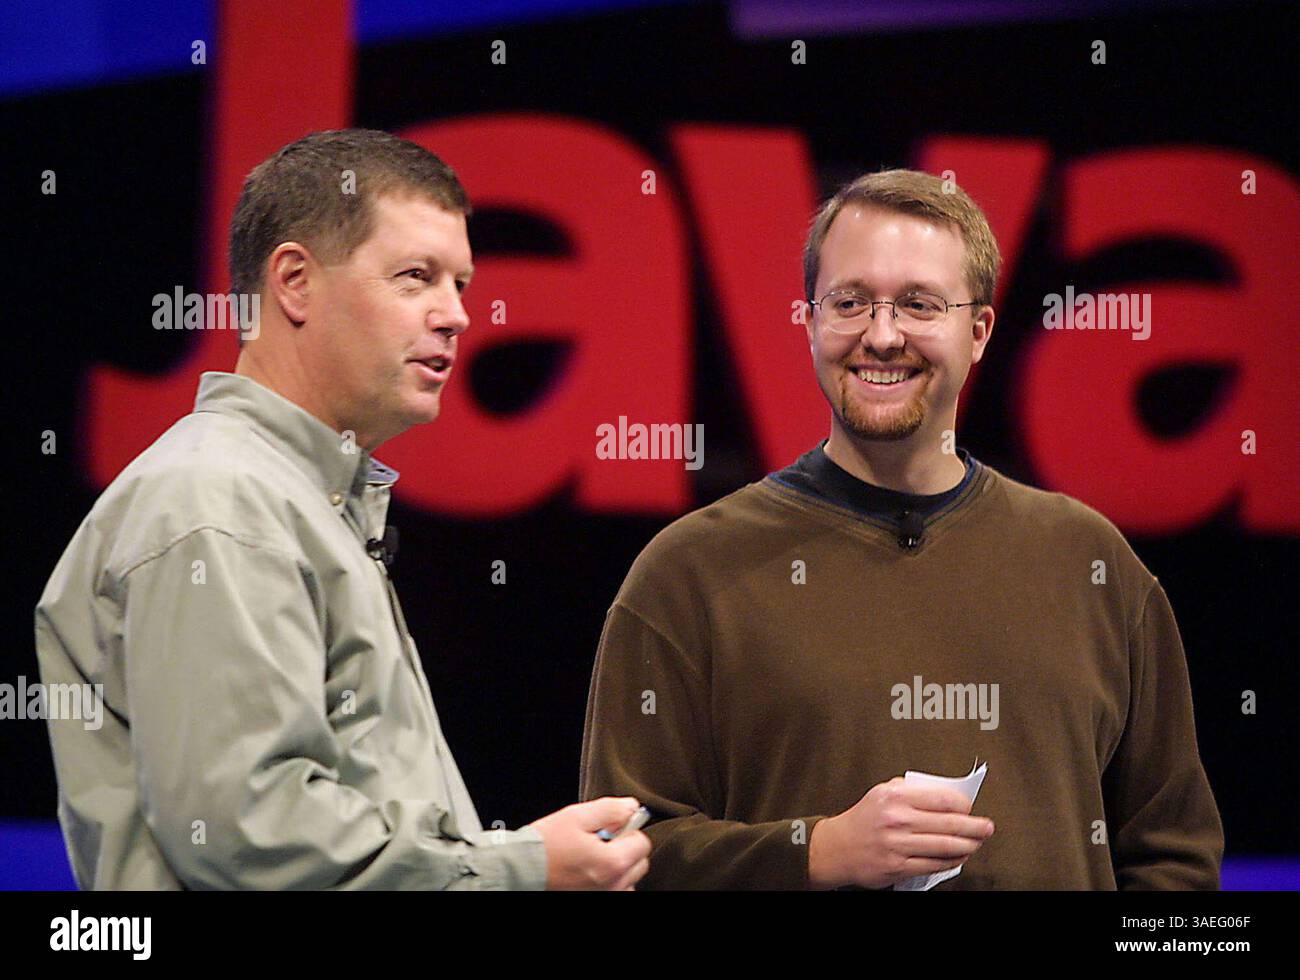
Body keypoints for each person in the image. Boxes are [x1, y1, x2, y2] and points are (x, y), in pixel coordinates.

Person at [35, 128, 650, 890]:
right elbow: (251, 832)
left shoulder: (295, 497)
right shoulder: (221, 502)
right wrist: (517, 873)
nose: (456, 314)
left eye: (460, 282)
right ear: (293, 281)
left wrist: (499, 862)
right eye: (416, 276)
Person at [579, 168, 1223, 889]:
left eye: (918, 304)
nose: (882, 336)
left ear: (977, 330)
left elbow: (1175, 857)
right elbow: (618, 857)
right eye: (850, 302)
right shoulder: (686, 574)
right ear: (810, 320)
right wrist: (816, 851)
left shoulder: (1092, 565)